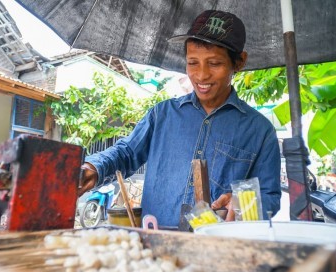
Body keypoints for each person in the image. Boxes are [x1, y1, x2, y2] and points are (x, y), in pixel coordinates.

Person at [79, 10, 281, 228]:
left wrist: (242, 203)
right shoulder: (162, 115)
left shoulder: (260, 131)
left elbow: (270, 196)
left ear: (239, 63)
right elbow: (126, 153)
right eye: (193, 62)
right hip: (155, 246)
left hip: (218, 251)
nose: (201, 75)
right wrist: (94, 167)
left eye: (214, 63)